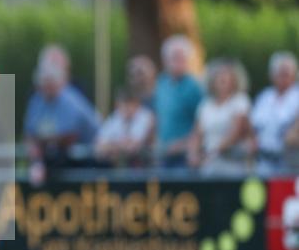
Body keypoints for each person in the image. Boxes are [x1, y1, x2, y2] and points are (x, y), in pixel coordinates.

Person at [23, 61, 99, 178]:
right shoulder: (37, 100)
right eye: (44, 83)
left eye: (50, 83)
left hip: (87, 160)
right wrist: (36, 160)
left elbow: (69, 137)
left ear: (59, 82)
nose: (46, 87)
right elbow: (30, 135)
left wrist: (43, 141)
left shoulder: (71, 101)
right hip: (58, 159)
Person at [187, 59, 251, 176]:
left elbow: (235, 132)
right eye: (219, 75)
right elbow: (197, 133)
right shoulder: (205, 105)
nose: (223, 78)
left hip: (233, 163)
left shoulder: (240, 101)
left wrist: (212, 153)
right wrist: (193, 154)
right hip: (209, 164)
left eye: (226, 74)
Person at [154, 35, 203, 168]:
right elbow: (158, 116)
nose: (178, 61)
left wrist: (184, 144)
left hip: (184, 156)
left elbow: (201, 122)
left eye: (181, 57)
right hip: (164, 154)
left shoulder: (194, 87)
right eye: (174, 57)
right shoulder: (161, 83)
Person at [250, 51, 299, 175]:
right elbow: (253, 126)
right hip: (264, 161)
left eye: (286, 73)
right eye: (280, 73)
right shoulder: (264, 97)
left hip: (290, 163)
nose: (283, 77)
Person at [94, 87, 154, 167]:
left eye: (128, 104)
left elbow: (133, 147)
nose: (125, 108)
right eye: (122, 104)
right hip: (118, 167)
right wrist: (119, 146)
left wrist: (112, 146)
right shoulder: (115, 117)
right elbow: (99, 147)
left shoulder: (146, 117)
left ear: (136, 104)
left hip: (144, 168)